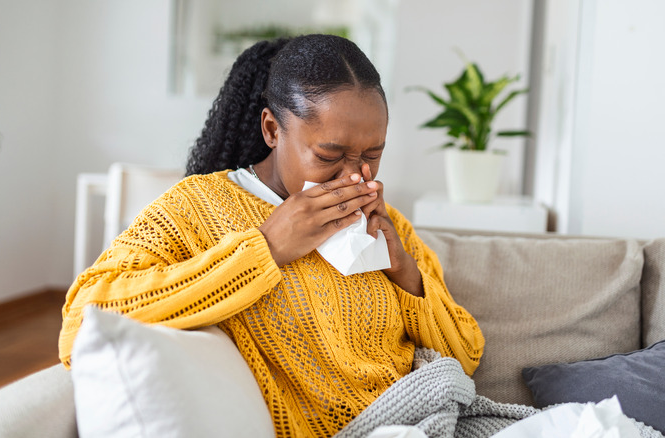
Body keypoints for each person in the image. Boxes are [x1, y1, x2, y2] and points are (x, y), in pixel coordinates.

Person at [59, 34, 484, 437]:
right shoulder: (198, 208)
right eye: (329, 156)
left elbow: (466, 353)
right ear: (272, 130)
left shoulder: (387, 223)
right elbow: (82, 322)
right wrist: (266, 249)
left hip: (430, 414)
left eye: (372, 155)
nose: (355, 176)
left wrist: (405, 273)